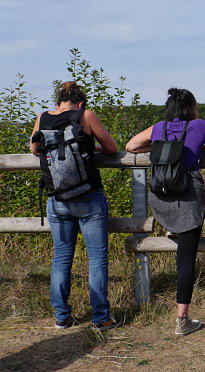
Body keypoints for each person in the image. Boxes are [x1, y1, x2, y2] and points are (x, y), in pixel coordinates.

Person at [126, 88, 205, 335]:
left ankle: (171, 230)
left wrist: (156, 148)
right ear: (191, 108)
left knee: (182, 243)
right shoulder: (199, 125)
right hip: (188, 194)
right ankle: (182, 320)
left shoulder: (159, 128)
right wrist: (200, 149)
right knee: (186, 260)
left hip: (161, 194)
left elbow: (131, 145)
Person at [30, 81, 120, 331]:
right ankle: (101, 318)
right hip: (89, 197)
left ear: (58, 102)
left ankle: (62, 316)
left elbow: (35, 150)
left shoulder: (43, 117)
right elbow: (111, 148)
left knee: (61, 258)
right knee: (97, 258)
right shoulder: (86, 115)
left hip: (56, 198)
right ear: (80, 103)